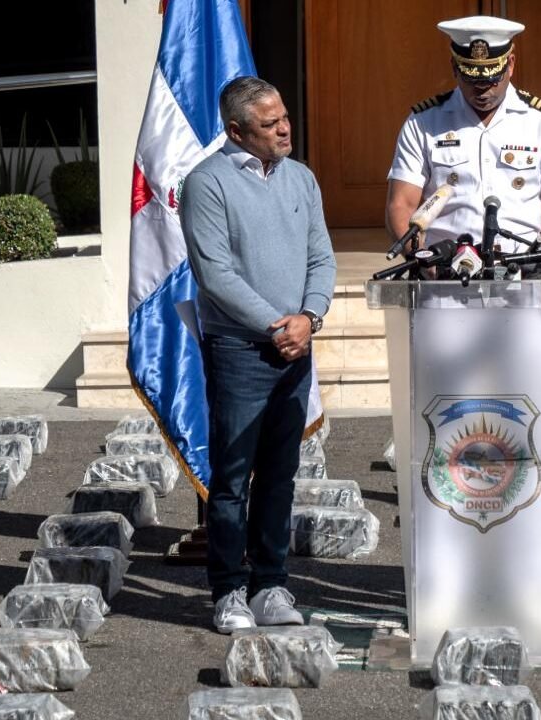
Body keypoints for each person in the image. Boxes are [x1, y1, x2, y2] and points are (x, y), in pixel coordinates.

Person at [181, 76, 337, 634]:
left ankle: (271, 583)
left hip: (295, 347)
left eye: (285, 118)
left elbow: (322, 256)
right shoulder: (207, 183)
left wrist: (309, 319)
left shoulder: (301, 178)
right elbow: (214, 275)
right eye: (271, 125)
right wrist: (278, 326)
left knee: (280, 473)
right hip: (241, 350)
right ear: (237, 130)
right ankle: (228, 590)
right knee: (232, 476)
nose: (285, 129)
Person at [386, 15, 541, 257]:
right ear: (454, 67)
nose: (482, 89)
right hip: (445, 273)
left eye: (491, 78)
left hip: (521, 272)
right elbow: (401, 205)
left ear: (510, 64)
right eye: (471, 78)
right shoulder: (424, 123)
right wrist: (424, 260)